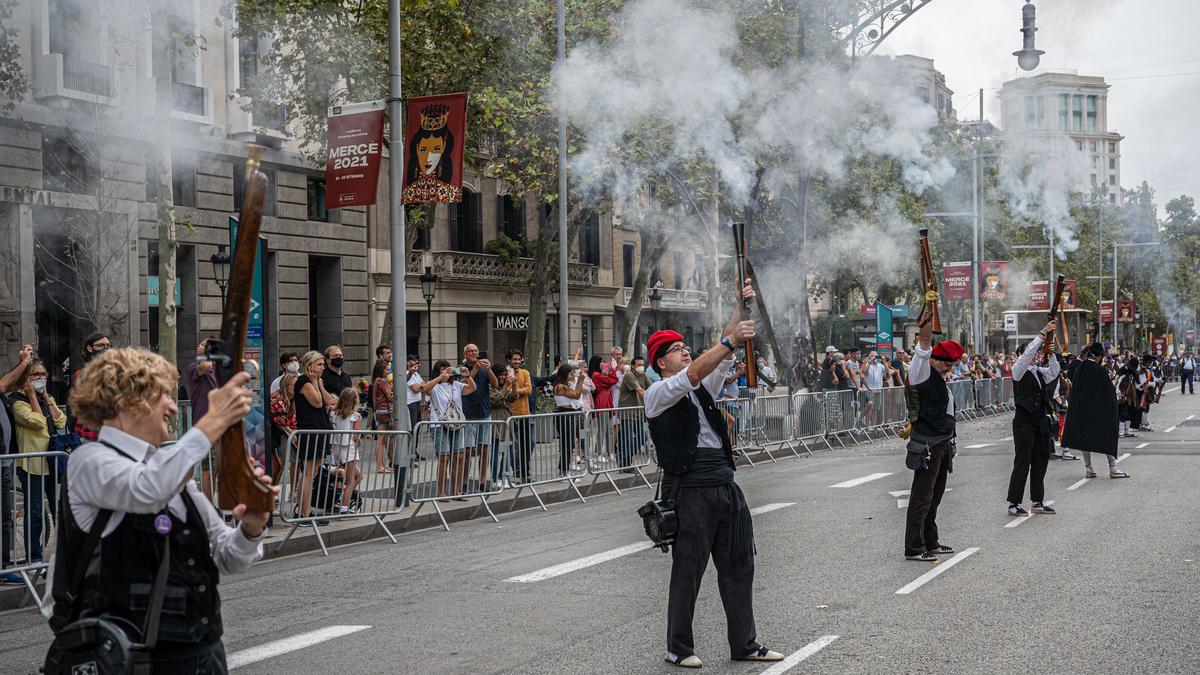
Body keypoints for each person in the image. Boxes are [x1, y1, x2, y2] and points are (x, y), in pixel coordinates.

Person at [46, 347, 276, 671]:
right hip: (130, 661)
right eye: (163, 396)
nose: (172, 406)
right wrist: (214, 420)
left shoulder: (170, 469)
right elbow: (147, 489)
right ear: (129, 400)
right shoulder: (89, 461)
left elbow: (227, 556)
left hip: (203, 654)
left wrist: (251, 528)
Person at [645, 282, 783, 668]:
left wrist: (740, 307)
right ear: (661, 362)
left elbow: (720, 360)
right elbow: (699, 368)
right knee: (688, 572)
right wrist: (729, 338)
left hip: (723, 483)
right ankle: (679, 647)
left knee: (740, 564)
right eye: (676, 349)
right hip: (690, 489)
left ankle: (745, 643)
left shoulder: (698, 383)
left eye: (684, 347)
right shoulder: (658, 393)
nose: (685, 350)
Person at [903, 297, 961, 563]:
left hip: (941, 444)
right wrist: (929, 310)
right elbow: (924, 344)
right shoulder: (921, 370)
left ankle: (930, 540)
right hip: (926, 443)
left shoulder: (938, 377)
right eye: (947, 363)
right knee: (921, 499)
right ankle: (914, 547)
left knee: (934, 497)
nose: (950, 368)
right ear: (936, 360)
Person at [11, 358, 67, 564]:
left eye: (44, 374)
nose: (41, 378)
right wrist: (33, 395)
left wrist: (45, 397)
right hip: (31, 465)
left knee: (58, 511)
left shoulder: (47, 398)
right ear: (26, 379)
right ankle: (35, 556)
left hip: (52, 464)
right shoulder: (17, 401)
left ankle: (61, 554)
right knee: (35, 512)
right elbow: (36, 422)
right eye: (36, 375)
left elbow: (60, 420)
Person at [1007, 320, 1060, 517]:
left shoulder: (1038, 371)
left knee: (1041, 460)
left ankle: (1037, 501)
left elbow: (1054, 372)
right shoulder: (1018, 369)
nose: (1036, 356)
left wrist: (1051, 353)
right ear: (1022, 355)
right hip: (1024, 423)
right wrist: (1043, 333)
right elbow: (1029, 352)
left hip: (1039, 422)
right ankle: (1014, 503)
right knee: (1022, 462)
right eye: (1034, 354)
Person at [1061, 343, 1128, 480]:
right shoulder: (1100, 370)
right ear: (1097, 356)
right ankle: (1113, 468)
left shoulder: (1080, 368)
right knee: (1107, 436)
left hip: (1082, 409)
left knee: (1085, 439)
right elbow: (1108, 394)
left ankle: (1089, 469)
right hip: (1099, 411)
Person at [1, 345, 34, 581]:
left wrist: (27, 363)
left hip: (4, 461)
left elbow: (14, 385)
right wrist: (23, 363)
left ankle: (4, 565)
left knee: (5, 516)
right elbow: (3, 385)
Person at [423, 359, 478, 499]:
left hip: (457, 424)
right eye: (443, 368)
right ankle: (442, 492)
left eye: (448, 368)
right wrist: (441, 377)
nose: (447, 371)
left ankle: (456, 490)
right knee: (444, 458)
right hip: (439, 424)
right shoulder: (435, 385)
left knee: (459, 457)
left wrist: (467, 375)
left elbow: (472, 388)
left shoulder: (457, 385)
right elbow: (426, 389)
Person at [294, 351, 337, 521]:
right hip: (310, 430)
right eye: (319, 364)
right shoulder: (304, 381)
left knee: (313, 472)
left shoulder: (317, 381)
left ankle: (304, 510)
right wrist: (313, 381)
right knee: (308, 473)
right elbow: (317, 402)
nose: (322, 368)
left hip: (320, 429)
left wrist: (319, 383)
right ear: (309, 365)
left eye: (322, 364)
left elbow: (329, 401)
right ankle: (303, 513)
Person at [460, 344, 498, 491]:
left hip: (484, 412)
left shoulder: (484, 368)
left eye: (476, 350)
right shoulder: (461, 369)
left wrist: (488, 369)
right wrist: (475, 369)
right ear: (465, 354)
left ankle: (482, 481)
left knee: (484, 448)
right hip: (468, 413)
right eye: (471, 351)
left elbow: (495, 385)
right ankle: (464, 481)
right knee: (468, 450)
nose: (475, 353)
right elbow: (462, 385)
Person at [330, 388, 363, 515]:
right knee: (350, 481)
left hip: (336, 447)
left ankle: (342, 497)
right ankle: (344, 506)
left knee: (358, 475)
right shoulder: (355, 416)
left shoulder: (334, 414)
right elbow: (355, 437)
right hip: (349, 448)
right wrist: (359, 440)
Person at [551, 364, 586, 476]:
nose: (572, 375)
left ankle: (564, 470)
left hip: (568, 414)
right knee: (567, 444)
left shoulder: (565, 385)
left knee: (569, 443)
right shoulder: (560, 386)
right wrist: (581, 380)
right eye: (570, 373)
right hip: (564, 414)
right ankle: (563, 472)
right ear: (564, 374)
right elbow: (576, 395)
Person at [488, 363, 519, 487]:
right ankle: (496, 478)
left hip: (506, 417)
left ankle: (505, 475)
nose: (503, 377)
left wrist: (514, 384)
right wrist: (506, 385)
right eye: (501, 375)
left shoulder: (504, 385)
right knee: (497, 450)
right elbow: (496, 399)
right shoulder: (490, 386)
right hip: (496, 418)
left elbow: (512, 398)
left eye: (505, 375)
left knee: (506, 449)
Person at [506, 349, 534, 483]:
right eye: (514, 359)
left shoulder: (525, 373)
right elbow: (507, 392)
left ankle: (524, 469)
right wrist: (514, 388)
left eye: (518, 359)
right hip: (511, 414)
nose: (517, 362)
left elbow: (529, 389)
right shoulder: (505, 373)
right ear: (509, 360)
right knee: (513, 445)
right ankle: (518, 470)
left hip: (524, 413)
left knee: (529, 443)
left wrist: (518, 390)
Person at [371, 359, 394, 472]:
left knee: (381, 439)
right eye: (386, 369)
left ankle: (382, 465)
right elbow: (390, 396)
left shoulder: (376, 380)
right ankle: (380, 466)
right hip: (384, 411)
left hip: (379, 411)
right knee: (382, 440)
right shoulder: (382, 381)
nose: (388, 371)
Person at [405, 355, 424, 431]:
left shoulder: (417, 374)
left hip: (417, 403)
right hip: (410, 403)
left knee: (417, 427)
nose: (416, 362)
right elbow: (415, 389)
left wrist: (420, 386)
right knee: (412, 427)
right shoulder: (406, 374)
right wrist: (420, 386)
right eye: (413, 360)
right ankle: (411, 443)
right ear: (408, 363)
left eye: (416, 360)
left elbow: (425, 385)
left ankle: (415, 443)